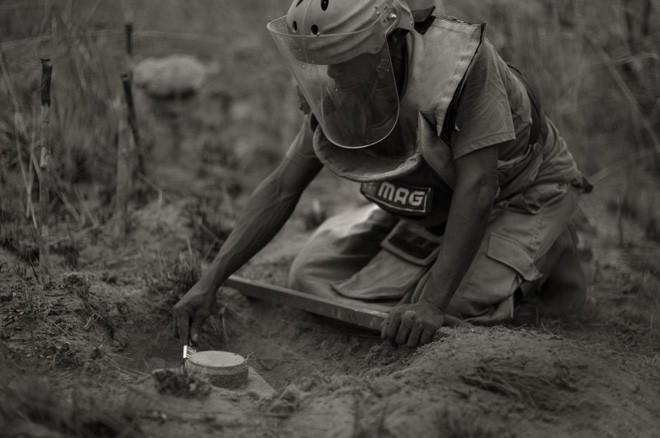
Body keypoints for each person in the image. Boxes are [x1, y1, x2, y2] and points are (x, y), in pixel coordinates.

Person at [173, 0, 592, 348]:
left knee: (447, 310)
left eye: (341, 62)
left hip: (521, 189)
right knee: (311, 275)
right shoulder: (345, 84)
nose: (331, 76)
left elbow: (480, 186)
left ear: (381, 46)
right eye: (322, 64)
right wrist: (211, 280)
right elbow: (284, 185)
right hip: (438, 197)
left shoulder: (459, 68)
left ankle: (550, 245)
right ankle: (446, 261)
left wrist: (431, 303)